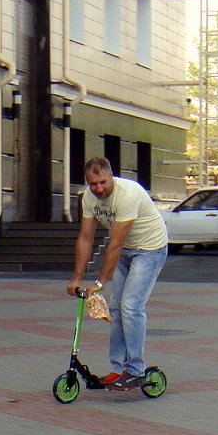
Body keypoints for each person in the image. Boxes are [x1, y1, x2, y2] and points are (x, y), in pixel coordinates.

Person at [67, 156, 168, 390]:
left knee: (131, 306)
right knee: (115, 307)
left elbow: (115, 243)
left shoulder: (127, 194)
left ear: (111, 176)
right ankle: (118, 368)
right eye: (93, 184)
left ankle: (135, 370)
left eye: (102, 182)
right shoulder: (90, 198)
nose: (98, 188)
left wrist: (100, 282)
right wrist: (77, 278)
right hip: (126, 251)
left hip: (150, 249)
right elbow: (85, 238)